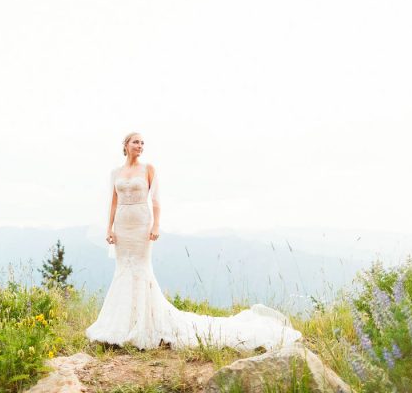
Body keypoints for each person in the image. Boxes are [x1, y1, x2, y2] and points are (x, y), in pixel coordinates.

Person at [85, 132, 302, 351]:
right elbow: (113, 202)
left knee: (141, 270)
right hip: (123, 225)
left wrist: (156, 225)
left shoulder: (148, 169)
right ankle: (120, 324)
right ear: (126, 145)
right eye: (136, 142)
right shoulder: (116, 173)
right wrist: (109, 228)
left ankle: (145, 324)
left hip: (141, 224)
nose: (140, 146)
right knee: (123, 270)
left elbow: (156, 200)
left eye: (142, 143)